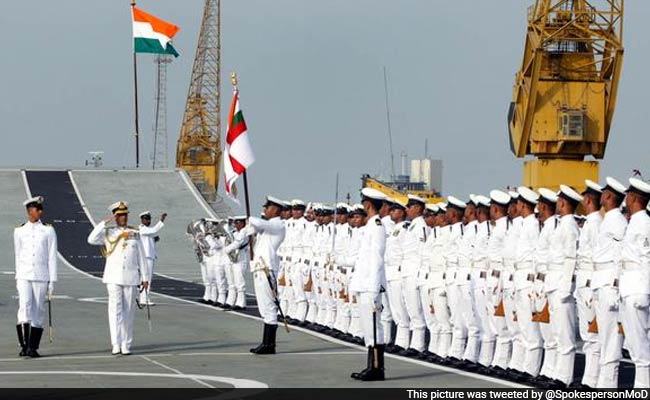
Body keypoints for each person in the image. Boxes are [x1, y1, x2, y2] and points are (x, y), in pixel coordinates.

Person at [87, 201, 149, 355]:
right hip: (113, 277)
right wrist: (105, 221)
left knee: (129, 311)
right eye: (120, 215)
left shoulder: (134, 233)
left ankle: (126, 343)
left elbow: (142, 255)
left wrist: (145, 277)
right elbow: (91, 239)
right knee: (115, 311)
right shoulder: (108, 233)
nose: (123, 218)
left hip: (131, 276)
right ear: (115, 217)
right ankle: (115, 343)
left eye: (125, 215)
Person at [591, 177, 627, 388]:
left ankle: (609, 385)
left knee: (611, 340)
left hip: (609, 285)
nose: (601, 196)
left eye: (604, 193)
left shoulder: (617, 222)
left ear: (609, 196)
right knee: (605, 337)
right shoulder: (609, 219)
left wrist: (615, 286)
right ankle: (603, 384)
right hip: (601, 282)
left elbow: (620, 257)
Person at [349, 188, 387, 381]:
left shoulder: (378, 226)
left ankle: (377, 369)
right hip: (364, 284)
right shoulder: (370, 226)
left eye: (364, 202)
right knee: (367, 327)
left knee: (374, 327)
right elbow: (364, 259)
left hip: (371, 285)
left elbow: (377, 259)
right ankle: (370, 366)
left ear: (368, 205)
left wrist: (373, 287)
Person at [14, 196, 57, 358]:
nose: (40, 212)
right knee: (24, 306)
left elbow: (51, 256)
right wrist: (18, 277)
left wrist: (52, 281)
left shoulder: (48, 230)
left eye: (40, 209)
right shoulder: (19, 230)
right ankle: (24, 345)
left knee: (38, 309)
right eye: (37, 209)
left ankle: (33, 347)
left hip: (41, 274)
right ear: (29, 211)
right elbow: (18, 255)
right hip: (24, 274)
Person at [619, 178, 650, 388]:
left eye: (628, 194)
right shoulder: (635, 223)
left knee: (640, 345)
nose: (626, 198)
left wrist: (645, 292)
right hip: (628, 286)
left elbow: (647, 259)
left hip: (637, 288)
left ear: (634, 197)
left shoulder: (645, 224)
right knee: (634, 344)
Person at [246, 196, 286, 355]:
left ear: (275, 209)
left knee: (269, 307)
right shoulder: (267, 227)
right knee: (263, 307)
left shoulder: (277, 225)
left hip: (267, 270)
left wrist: (250, 219)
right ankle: (266, 343)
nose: (264, 210)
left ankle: (269, 344)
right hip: (259, 269)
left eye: (267, 208)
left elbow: (259, 222)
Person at [575, 180, 604, 388]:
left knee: (593, 336)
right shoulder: (591, 223)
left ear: (587, 200)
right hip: (585, 283)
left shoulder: (595, 225)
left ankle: (592, 380)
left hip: (590, 284)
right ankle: (589, 379)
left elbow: (597, 259)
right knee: (589, 336)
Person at [399, 194, 429, 357]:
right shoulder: (411, 226)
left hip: (414, 272)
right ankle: (409, 342)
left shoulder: (421, 227)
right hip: (406, 271)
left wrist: (419, 275)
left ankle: (418, 345)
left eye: (410, 206)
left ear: (418, 208)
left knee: (416, 309)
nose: (407, 209)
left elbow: (422, 253)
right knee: (410, 308)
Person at [137, 211, 167, 306]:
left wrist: (154, 240)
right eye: (146, 219)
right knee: (147, 278)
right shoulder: (142, 229)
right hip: (146, 257)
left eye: (149, 219)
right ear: (142, 220)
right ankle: (144, 298)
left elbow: (151, 237)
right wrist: (161, 220)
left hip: (149, 256)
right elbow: (154, 230)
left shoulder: (146, 229)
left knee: (145, 278)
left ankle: (144, 298)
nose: (148, 221)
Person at [223, 216, 250, 310]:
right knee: (232, 281)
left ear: (242, 223)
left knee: (239, 282)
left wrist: (226, 249)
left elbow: (237, 244)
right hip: (233, 259)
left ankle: (241, 303)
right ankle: (230, 301)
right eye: (234, 223)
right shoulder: (234, 232)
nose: (235, 225)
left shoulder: (244, 232)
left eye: (237, 223)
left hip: (241, 259)